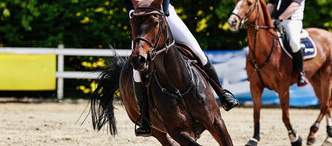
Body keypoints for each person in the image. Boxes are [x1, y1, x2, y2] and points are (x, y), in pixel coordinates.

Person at [124, 0, 239, 137]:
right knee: (137, 71)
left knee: (198, 52)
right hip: (140, 18)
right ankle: (145, 119)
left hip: (162, 13)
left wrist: (165, 11)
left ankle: (222, 94)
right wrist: (131, 12)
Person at [267, 0, 308, 87]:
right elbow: (270, 5)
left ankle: (301, 72)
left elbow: (294, 6)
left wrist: (280, 19)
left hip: (292, 21)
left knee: (293, 42)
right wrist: (264, 18)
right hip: (275, 21)